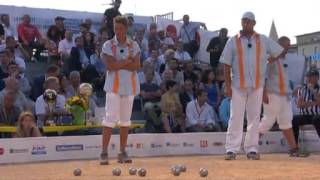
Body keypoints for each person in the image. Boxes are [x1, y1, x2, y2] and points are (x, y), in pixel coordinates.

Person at [220, 12, 284, 160]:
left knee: (254, 118)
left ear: (254, 23)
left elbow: (279, 51)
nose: (245, 24)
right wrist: (227, 86)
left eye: (248, 21)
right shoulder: (232, 41)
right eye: (243, 21)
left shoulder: (262, 39)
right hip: (238, 85)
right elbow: (226, 64)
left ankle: (252, 149)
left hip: (257, 85)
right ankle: (231, 149)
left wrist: (267, 61)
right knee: (235, 116)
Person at [100, 16, 140, 165]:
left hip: (129, 88)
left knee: (125, 122)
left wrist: (119, 63)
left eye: (121, 28)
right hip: (113, 88)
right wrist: (127, 61)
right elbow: (110, 66)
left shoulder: (134, 45)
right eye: (116, 28)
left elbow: (136, 66)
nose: (118, 31)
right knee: (109, 119)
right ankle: (104, 153)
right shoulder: (108, 45)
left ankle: (122, 152)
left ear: (126, 28)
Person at [259, 36, 301, 156]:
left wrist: (290, 91)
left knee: (286, 121)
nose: (288, 47)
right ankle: (249, 145)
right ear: (280, 46)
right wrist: (263, 93)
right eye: (287, 45)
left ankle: (294, 149)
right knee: (268, 121)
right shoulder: (270, 59)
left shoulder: (284, 60)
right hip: (272, 94)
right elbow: (263, 76)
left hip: (285, 96)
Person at [292, 69, 320, 145]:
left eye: (311, 77)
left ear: (317, 78)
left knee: (317, 119)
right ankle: (295, 146)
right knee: (294, 120)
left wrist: (313, 91)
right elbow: (299, 104)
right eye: (308, 77)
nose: (308, 79)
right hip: (304, 115)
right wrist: (315, 103)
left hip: (316, 115)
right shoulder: (302, 89)